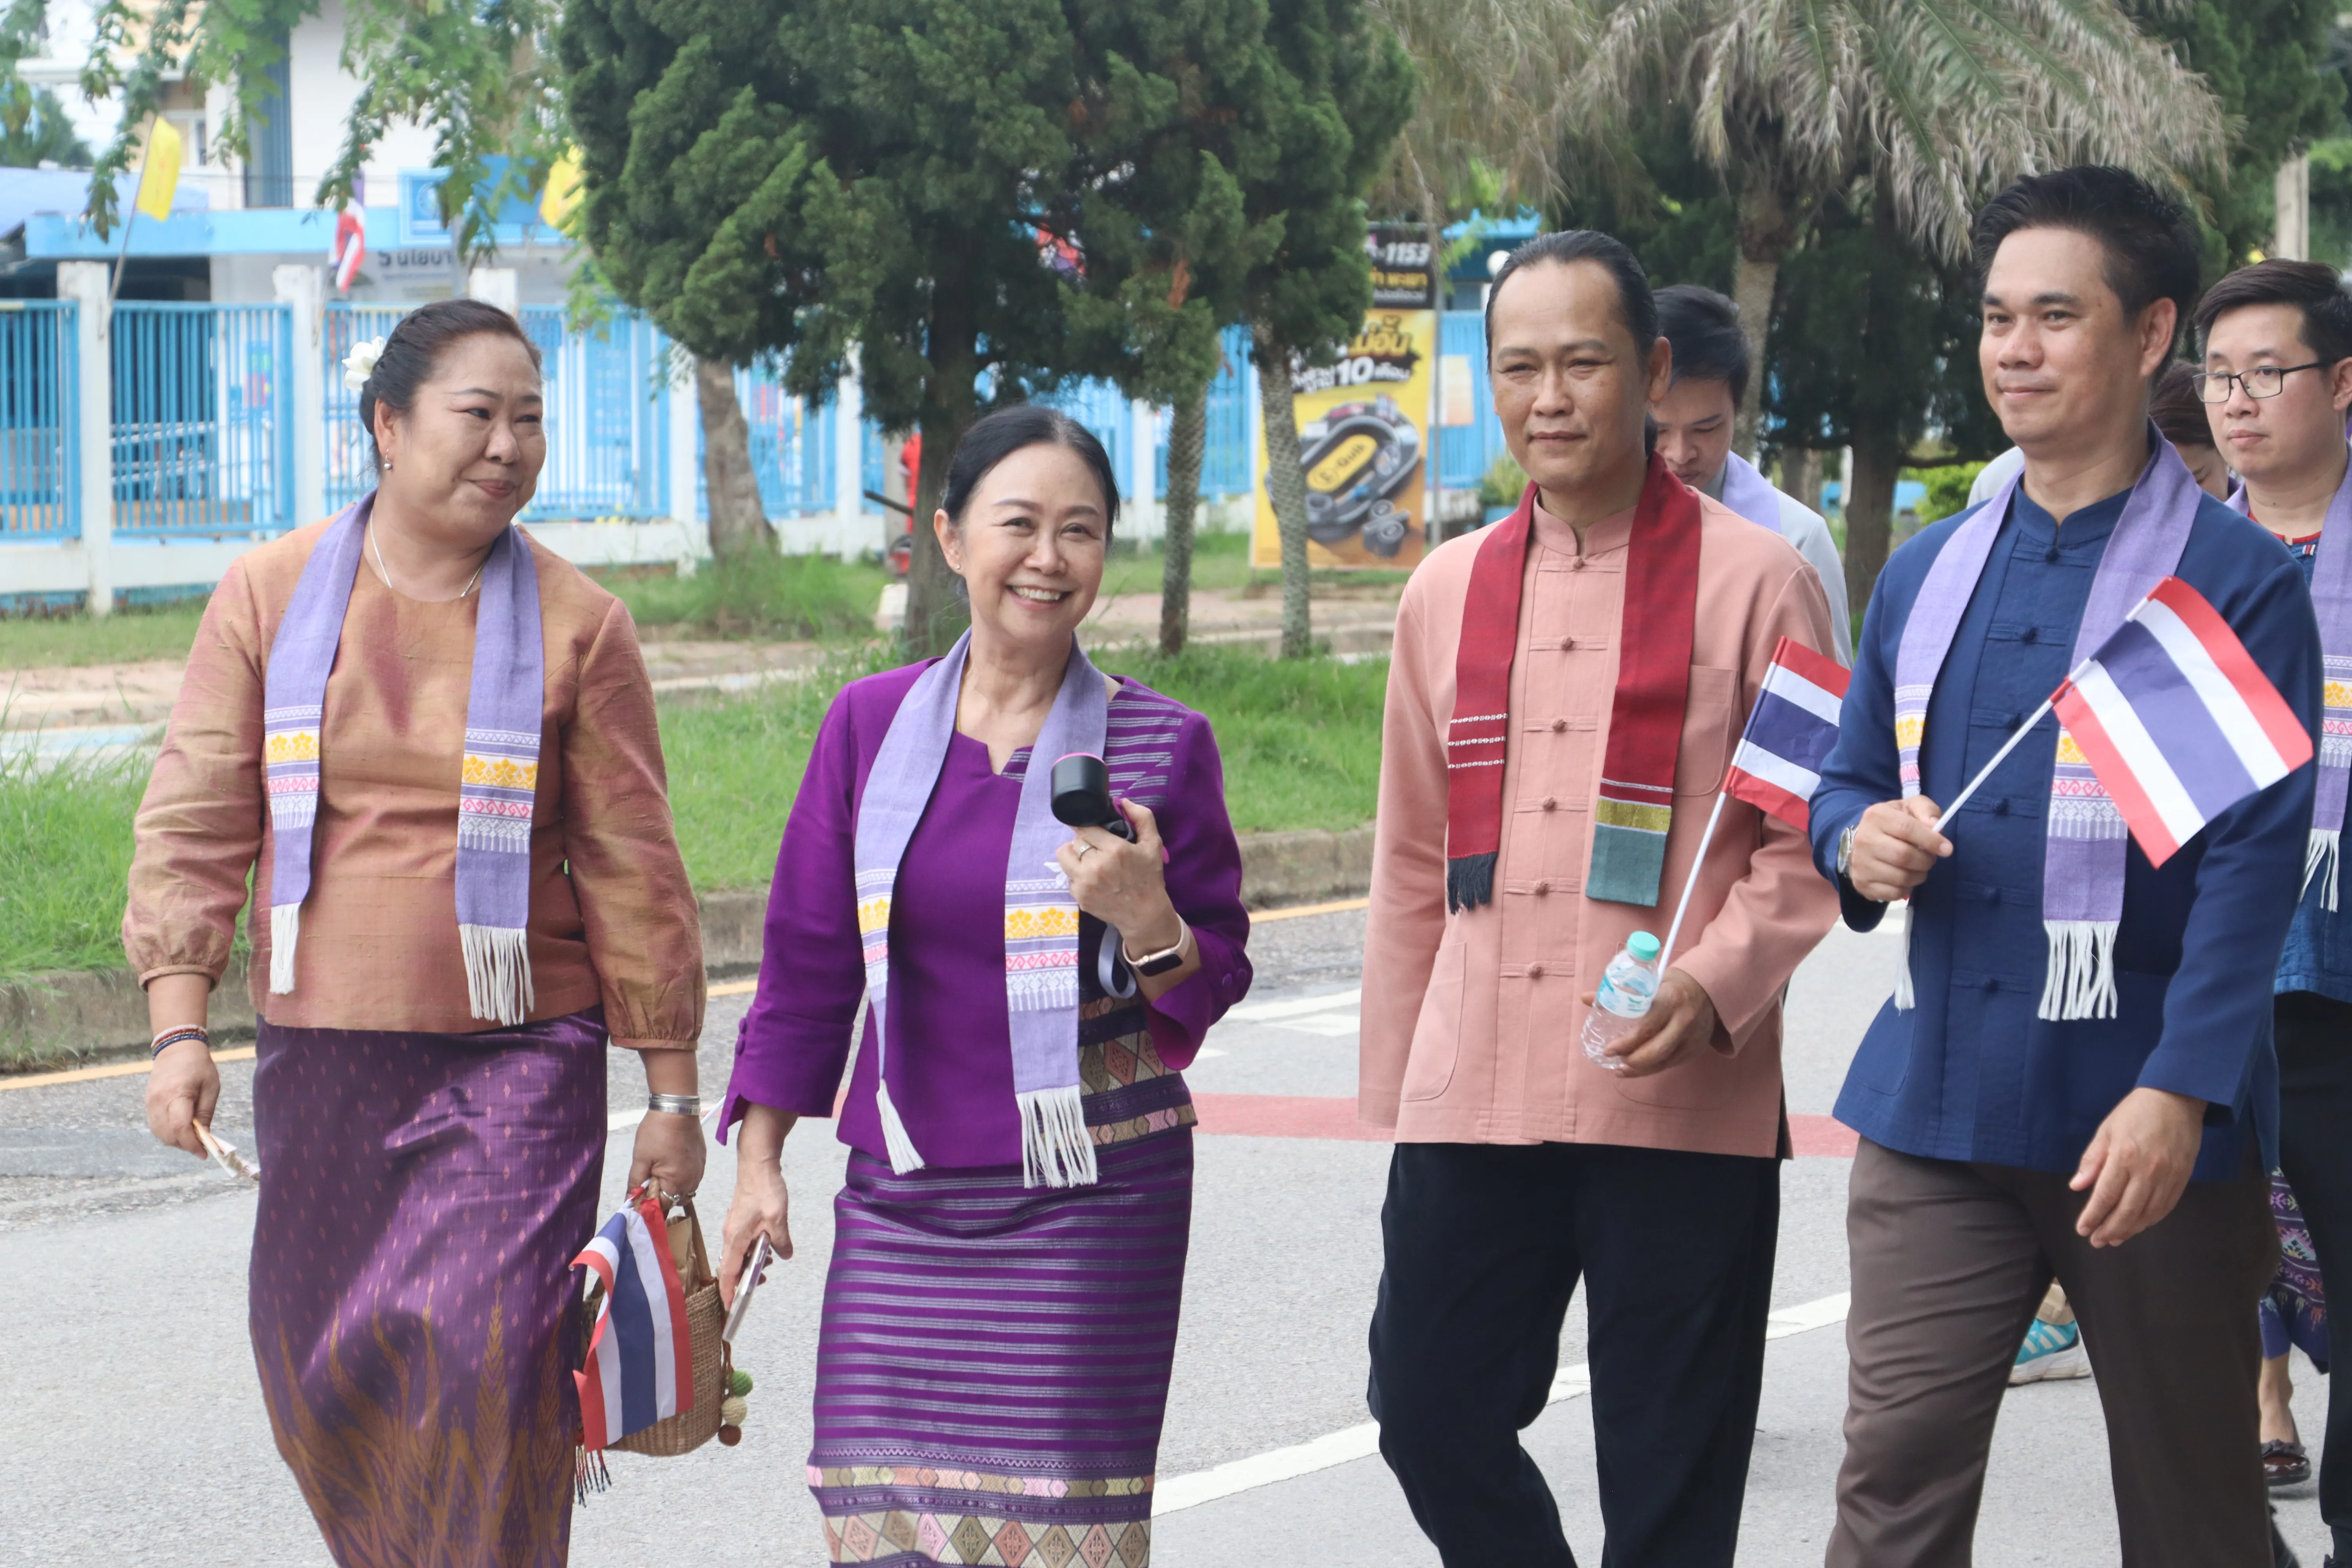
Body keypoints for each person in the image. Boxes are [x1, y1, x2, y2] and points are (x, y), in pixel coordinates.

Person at [128, 298, 707, 1567]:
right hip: (322, 1065)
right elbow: (196, 814)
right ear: (388, 426)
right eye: (479, 414)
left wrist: (670, 1093)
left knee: (489, 1376)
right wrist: (179, 1028)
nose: (508, 445)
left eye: (530, 421)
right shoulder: (266, 594)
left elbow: (633, 869)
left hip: (515, 1068)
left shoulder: (580, 623)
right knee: (324, 1374)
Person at [1811, 166, 2321, 1567]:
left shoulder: (2225, 584)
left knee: (2193, 1508)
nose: (2013, 350)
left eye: (2052, 315)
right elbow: (1845, 779)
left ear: (2148, 334)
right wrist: (1851, 837)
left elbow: (2246, 874)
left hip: (2144, 1121)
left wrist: (2177, 1092)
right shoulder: (1925, 573)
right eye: (1991, 318)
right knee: (1891, 1476)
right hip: (1935, 1100)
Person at [1359, 229, 1842, 1567]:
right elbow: (1409, 858)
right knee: (1427, 1409)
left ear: (1654, 371)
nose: (1550, 398)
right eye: (1521, 367)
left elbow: (1807, 841)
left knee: (1669, 1469)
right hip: (1481, 1086)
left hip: (1676, 1083)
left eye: (1584, 362)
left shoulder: (1764, 581)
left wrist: (1718, 976)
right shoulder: (1443, 589)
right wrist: (1406, 1081)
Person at [716, 407, 1252, 1568]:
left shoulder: (1159, 744)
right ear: (951, 537)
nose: (1047, 558)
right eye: (1019, 524)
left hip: (1089, 1196)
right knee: (881, 1532)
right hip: (902, 1199)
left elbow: (1206, 982)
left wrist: (1147, 917)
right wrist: (757, 1169)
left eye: (1080, 530)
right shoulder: (865, 726)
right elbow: (806, 966)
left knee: (1050, 1544)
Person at [2005, 361, 2233, 1388]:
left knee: (2188, 1431)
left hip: (2199, 981)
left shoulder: (2236, 571)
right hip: (2047, 955)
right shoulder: (1979, 536)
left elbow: (2243, 849)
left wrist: (2183, 1082)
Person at [2196, 257, 2352, 1558]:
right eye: (2220, 378)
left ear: (2342, 382)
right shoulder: (2180, 555)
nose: (2239, 403)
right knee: (2199, 1288)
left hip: (2338, 983)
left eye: (2269, 374)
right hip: (2205, 981)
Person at [1653, 283, 1855, 662]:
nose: (1680, 454)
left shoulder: (1797, 539)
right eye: (1658, 432)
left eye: (1707, 429)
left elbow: (1824, 709)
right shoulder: (1581, 532)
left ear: (1738, 411)